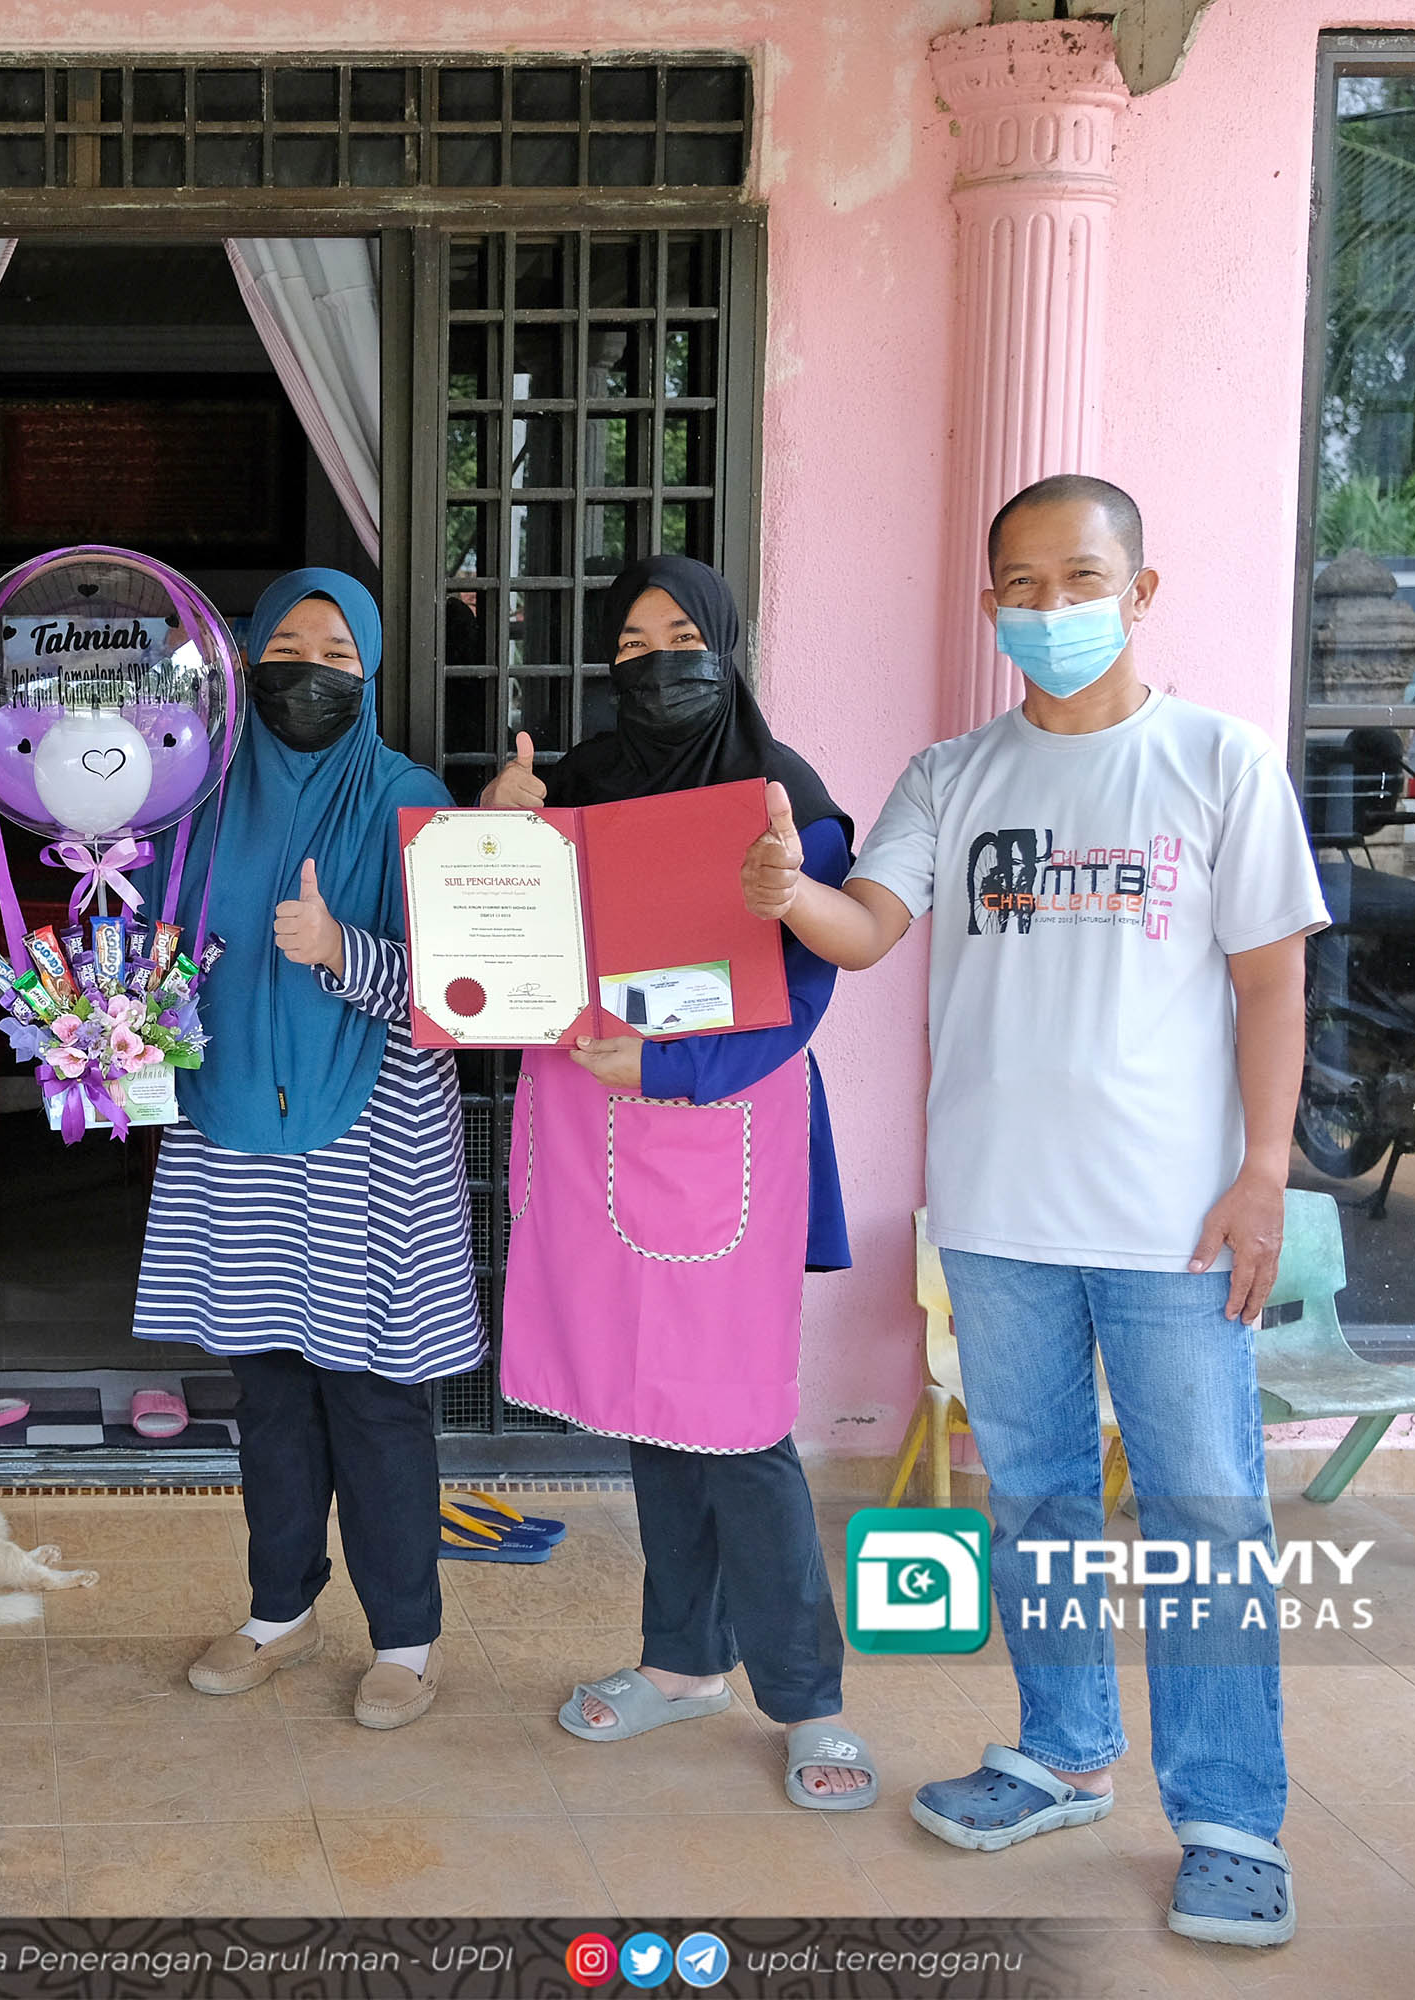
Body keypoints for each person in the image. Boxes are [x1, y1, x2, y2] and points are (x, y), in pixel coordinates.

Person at [746, 474, 1321, 1948]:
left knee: (1203, 1515)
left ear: (1141, 590)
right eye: (1022, 584)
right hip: (997, 1220)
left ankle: (1230, 1818)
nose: (1050, 608)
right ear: (990, 602)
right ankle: (1063, 1753)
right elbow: (868, 927)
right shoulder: (955, 775)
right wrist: (784, 894)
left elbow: (1271, 982)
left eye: (1081, 578)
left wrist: (1264, 1170)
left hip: (1175, 1226)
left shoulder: (1217, 763)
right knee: (1040, 1499)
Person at [482, 553, 869, 1808]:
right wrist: (502, 838)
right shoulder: (579, 785)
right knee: (656, 1414)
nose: (656, 661)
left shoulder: (782, 798)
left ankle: (808, 1699)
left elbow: (802, 993)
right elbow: (505, 939)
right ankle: (682, 1659)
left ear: (726, 645)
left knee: (742, 1426)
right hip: (599, 1124)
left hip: (723, 1132)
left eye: (679, 636)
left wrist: (671, 1061)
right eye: (631, 642)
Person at [138, 568, 481, 1731]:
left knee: (376, 1394)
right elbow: (158, 948)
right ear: (245, 660)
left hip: (370, 1145)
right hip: (236, 1131)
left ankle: (407, 1638)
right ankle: (278, 1611)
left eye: (339, 650)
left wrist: (342, 947)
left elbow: (454, 996)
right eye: (289, 645)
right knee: (271, 1392)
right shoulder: (197, 796)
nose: (313, 669)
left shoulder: (409, 795)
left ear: (371, 671)